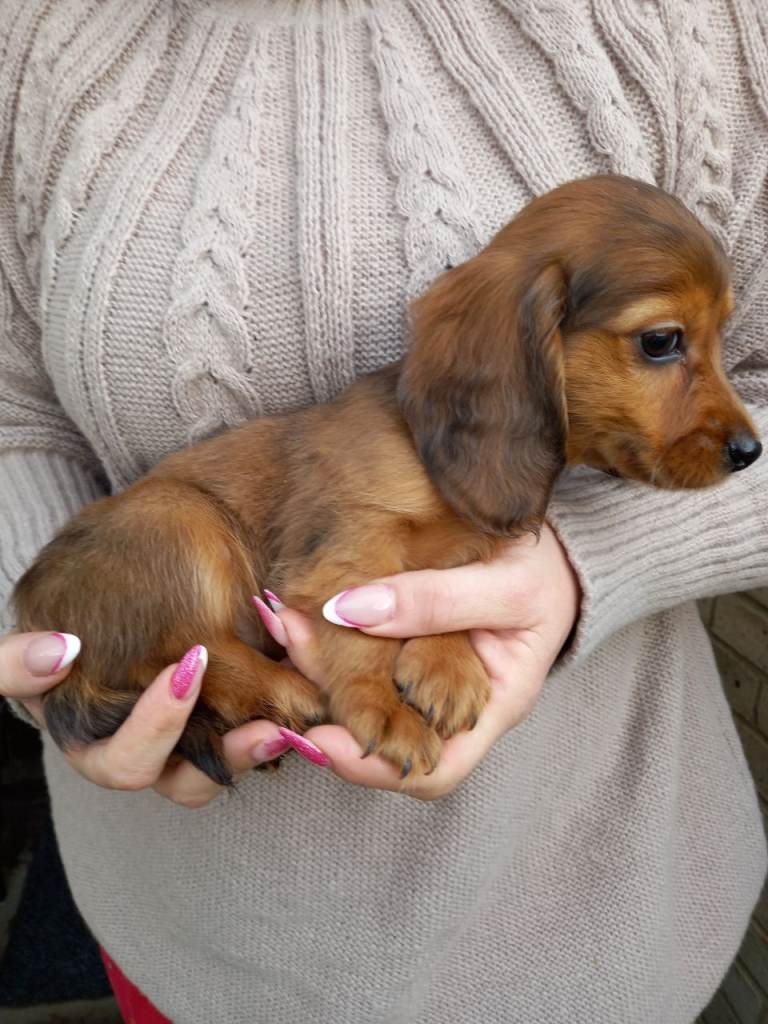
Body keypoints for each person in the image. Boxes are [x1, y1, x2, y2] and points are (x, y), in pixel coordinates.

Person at [1, 1, 767, 1021]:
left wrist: (582, 563)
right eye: (663, 345)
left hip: (594, 928)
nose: (720, 407)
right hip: (192, 937)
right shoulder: (34, 35)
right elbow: (12, 406)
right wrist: (59, 651)